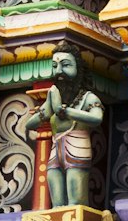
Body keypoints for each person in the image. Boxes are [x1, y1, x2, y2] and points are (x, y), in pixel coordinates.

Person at [40, 48, 103, 210]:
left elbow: (97, 118)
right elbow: (33, 122)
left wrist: (67, 112)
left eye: (65, 65)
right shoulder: (54, 96)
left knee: (76, 202)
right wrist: (40, 114)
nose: (58, 71)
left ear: (79, 69)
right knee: (57, 203)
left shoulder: (88, 98)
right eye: (54, 66)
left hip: (78, 146)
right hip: (56, 149)